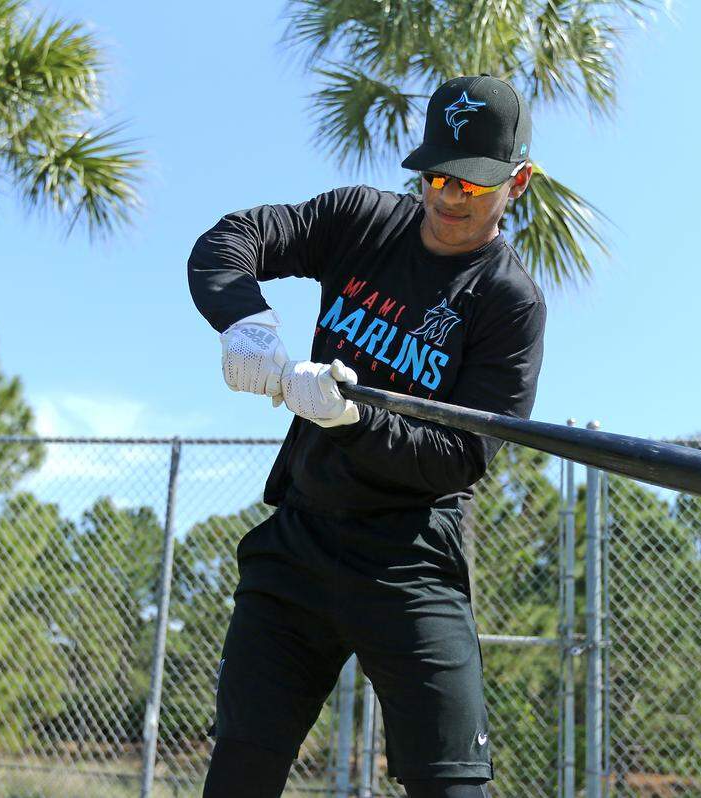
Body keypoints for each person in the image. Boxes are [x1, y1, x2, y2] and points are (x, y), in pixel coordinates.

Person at [188, 74, 546, 798]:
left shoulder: (510, 302)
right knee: (240, 772)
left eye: (473, 187)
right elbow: (233, 238)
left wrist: (352, 418)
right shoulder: (361, 219)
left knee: (453, 786)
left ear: (519, 181)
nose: (448, 199)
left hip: (409, 558)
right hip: (301, 539)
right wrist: (246, 323)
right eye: (437, 177)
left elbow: (461, 456)